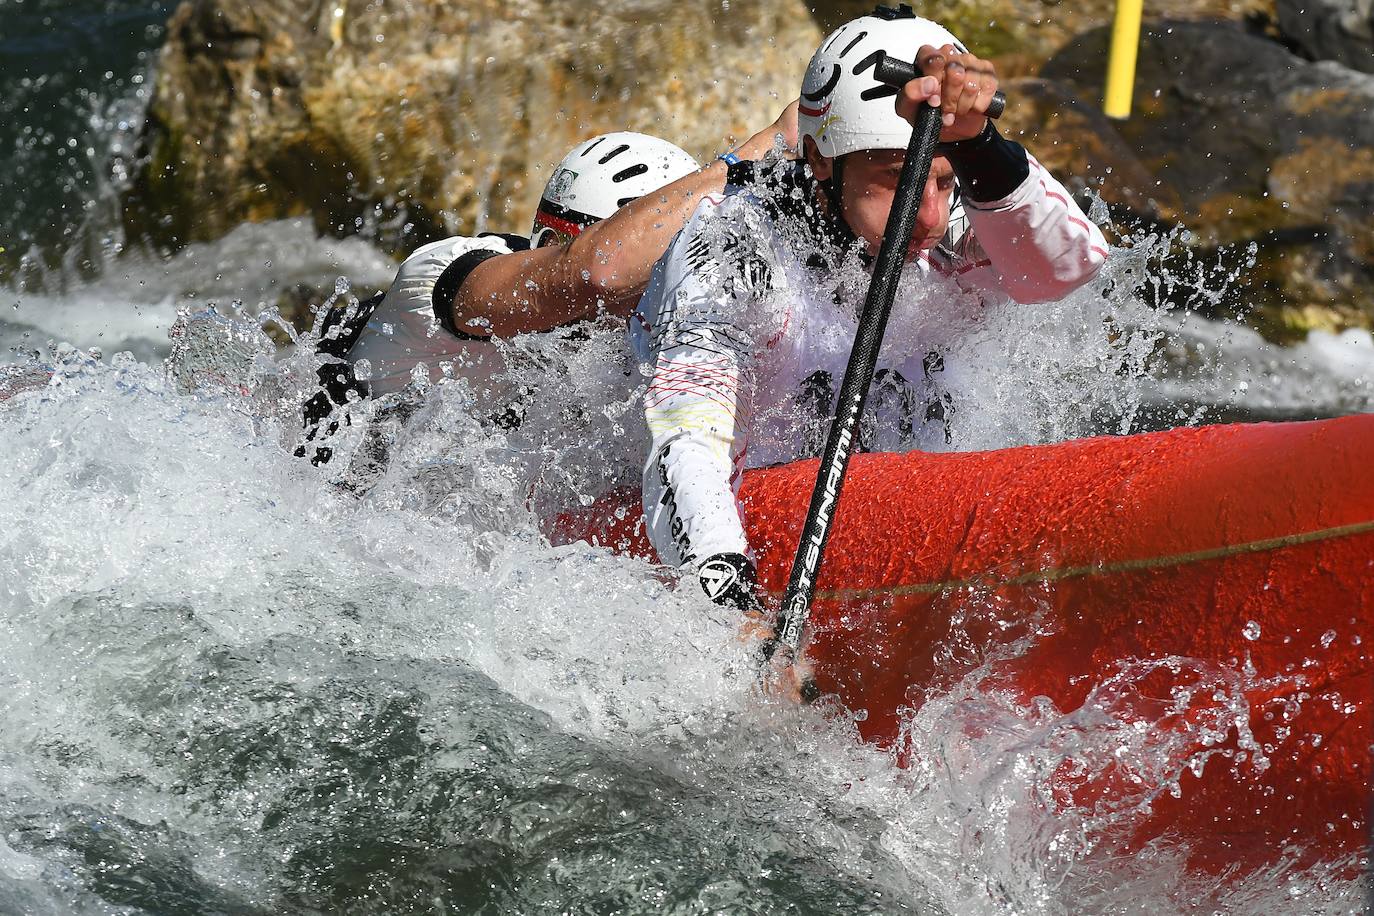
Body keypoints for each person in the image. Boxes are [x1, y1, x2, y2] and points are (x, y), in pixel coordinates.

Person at [634, 5, 1110, 611]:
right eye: (897, 180)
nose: (930, 217)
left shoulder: (963, 224)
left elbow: (1063, 271)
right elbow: (687, 438)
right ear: (820, 161)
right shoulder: (737, 248)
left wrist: (981, 147)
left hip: (907, 531)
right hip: (746, 529)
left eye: (945, 181)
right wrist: (731, 603)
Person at [297, 111, 797, 463]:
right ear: (553, 242)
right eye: (650, 273)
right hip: (321, 485)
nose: (662, 291)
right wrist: (751, 159)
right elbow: (590, 275)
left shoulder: (651, 337)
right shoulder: (448, 281)